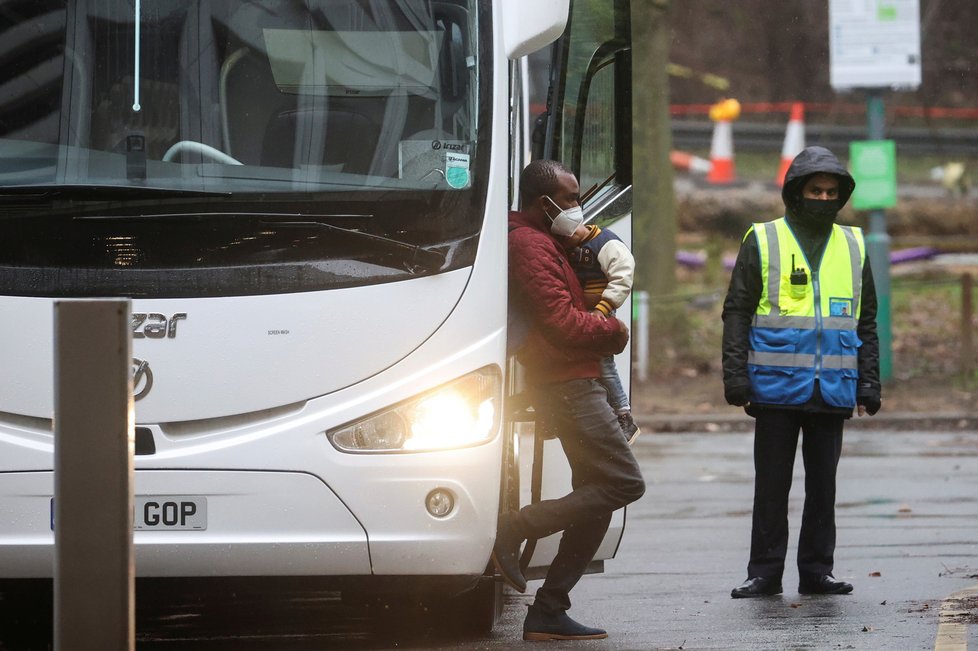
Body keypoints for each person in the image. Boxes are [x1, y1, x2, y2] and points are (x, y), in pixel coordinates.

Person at [721, 146, 882, 599]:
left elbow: (865, 318)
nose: (824, 198)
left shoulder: (853, 244)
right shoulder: (764, 238)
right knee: (771, 488)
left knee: (823, 489)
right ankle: (765, 573)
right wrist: (735, 375)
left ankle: (817, 572)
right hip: (774, 386)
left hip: (833, 387)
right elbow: (737, 311)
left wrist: (869, 380)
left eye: (832, 192)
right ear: (797, 192)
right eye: (816, 190)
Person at [495, 159, 646, 640]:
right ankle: (514, 526)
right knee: (623, 483)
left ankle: (548, 612)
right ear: (546, 203)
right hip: (566, 381)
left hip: (576, 377)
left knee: (597, 496)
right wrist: (614, 331)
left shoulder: (545, 241)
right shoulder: (528, 244)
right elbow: (561, 323)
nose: (578, 206)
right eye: (573, 197)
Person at [559, 222, 641, 444]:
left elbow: (623, 276)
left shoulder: (606, 243)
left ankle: (623, 415)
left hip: (599, 313)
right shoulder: (571, 244)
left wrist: (602, 309)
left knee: (604, 362)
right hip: (583, 313)